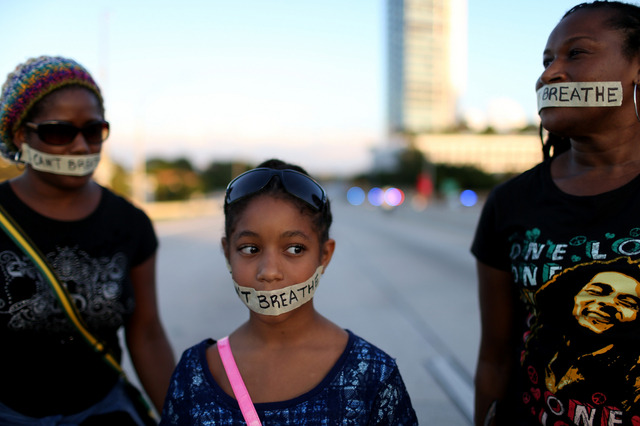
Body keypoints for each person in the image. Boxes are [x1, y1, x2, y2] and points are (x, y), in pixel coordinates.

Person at [472, 1, 640, 425]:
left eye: (576, 53)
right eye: (546, 61)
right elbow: (495, 357)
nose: (549, 73)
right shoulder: (510, 202)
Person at [160, 159, 418, 425]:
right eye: (250, 249)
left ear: (324, 255)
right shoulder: (194, 373)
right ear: (227, 253)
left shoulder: (374, 375)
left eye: (295, 249)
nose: (269, 271)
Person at [0, 56, 175, 424]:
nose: (80, 147)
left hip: (102, 412)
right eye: (59, 132)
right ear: (21, 136)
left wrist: (179, 416)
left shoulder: (131, 224)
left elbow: (146, 334)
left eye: (93, 130)